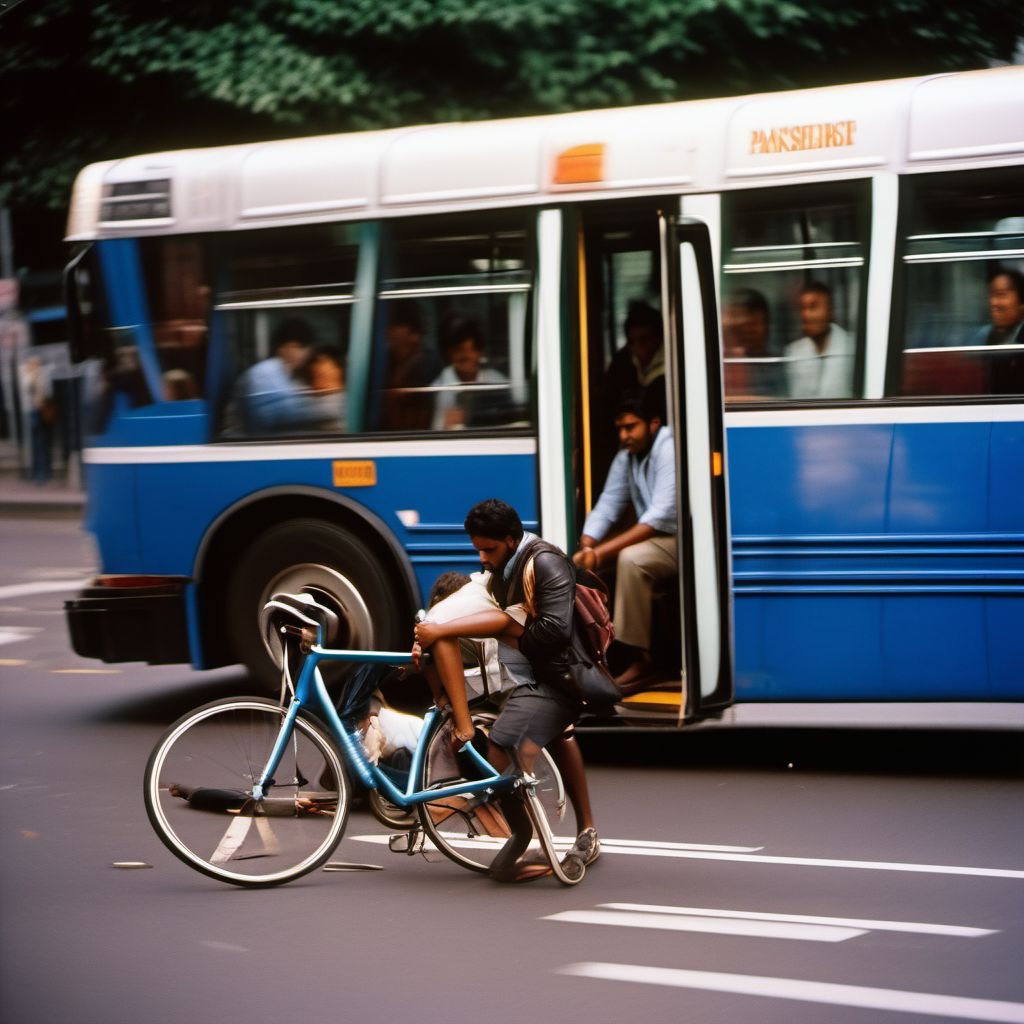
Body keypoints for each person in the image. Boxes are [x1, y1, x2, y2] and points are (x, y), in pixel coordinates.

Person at [413, 499, 599, 882]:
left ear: (512, 540)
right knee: (502, 746)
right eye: (477, 549)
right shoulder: (500, 568)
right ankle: (524, 831)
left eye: (489, 549)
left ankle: (581, 832)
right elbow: (479, 605)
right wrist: (434, 633)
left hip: (561, 678)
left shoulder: (546, 563)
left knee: (529, 743)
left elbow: (555, 632)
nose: (482, 558)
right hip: (529, 677)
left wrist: (505, 625)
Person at [573, 386, 677, 689]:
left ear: (653, 424)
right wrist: (587, 546)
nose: (624, 435)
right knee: (590, 569)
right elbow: (608, 504)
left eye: (631, 427)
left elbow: (658, 516)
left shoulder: (668, 447)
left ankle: (641, 659)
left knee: (632, 559)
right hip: (659, 538)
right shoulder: (627, 456)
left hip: (682, 540)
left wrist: (601, 552)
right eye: (620, 428)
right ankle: (599, 655)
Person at [235, 318, 332, 434]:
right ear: (282, 347)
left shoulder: (289, 376)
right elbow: (273, 415)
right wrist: (324, 412)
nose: (303, 354)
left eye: (304, 348)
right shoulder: (264, 373)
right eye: (297, 347)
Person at [430, 313, 509, 430]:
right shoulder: (438, 388)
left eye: (471, 349)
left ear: (479, 352)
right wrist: (445, 425)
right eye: (458, 349)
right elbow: (432, 435)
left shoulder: (497, 382)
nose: (465, 355)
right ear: (448, 353)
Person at [784, 282, 854, 399]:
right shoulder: (794, 352)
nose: (806, 315)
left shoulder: (850, 347)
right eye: (802, 308)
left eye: (813, 307)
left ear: (830, 311)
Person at [382, 300, 437, 431]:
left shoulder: (429, 364)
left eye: (393, 327)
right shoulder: (386, 361)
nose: (388, 332)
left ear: (413, 334)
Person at [722, 288, 783, 399]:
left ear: (766, 326)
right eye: (746, 325)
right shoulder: (730, 364)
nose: (750, 331)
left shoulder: (777, 365)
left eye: (755, 324)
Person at [21, 356, 54, 485]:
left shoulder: (43, 377)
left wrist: (41, 401)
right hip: (33, 412)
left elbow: (47, 394)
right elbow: (27, 390)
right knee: (36, 444)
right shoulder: (29, 377)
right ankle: (38, 473)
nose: (31, 367)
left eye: (33, 364)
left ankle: (43, 474)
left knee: (42, 443)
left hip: (42, 412)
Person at [308, 345, 347, 430]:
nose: (319, 368)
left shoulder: (347, 402)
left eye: (323, 362)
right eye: (315, 363)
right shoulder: (309, 398)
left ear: (338, 369)